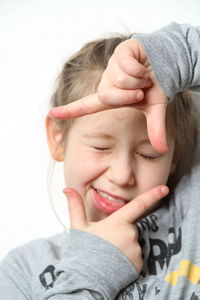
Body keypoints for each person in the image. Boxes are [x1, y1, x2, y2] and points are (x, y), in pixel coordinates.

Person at [0, 22, 200, 300]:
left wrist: (171, 55)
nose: (121, 175)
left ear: (175, 157)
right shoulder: (21, 271)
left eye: (148, 154)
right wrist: (91, 271)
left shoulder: (193, 213)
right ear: (58, 139)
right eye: (100, 146)